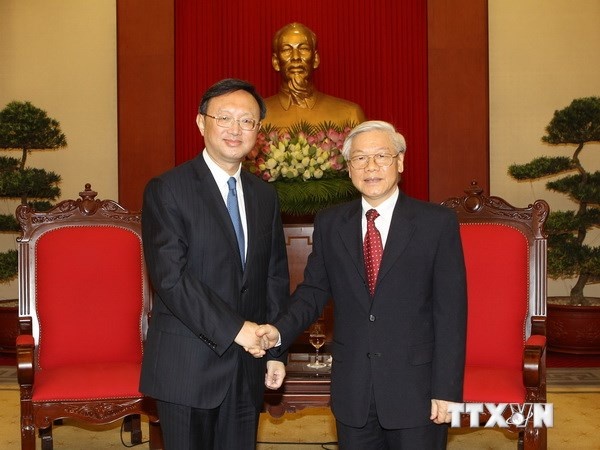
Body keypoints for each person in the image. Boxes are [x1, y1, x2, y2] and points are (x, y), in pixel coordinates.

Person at [258, 120, 468, 449]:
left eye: (381, 156)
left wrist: (447, 389)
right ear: (348, 167)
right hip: (353, 388)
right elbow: (312, 292)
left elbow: (451, 312)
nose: (371, 166)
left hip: (417, 389)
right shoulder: (330, 223)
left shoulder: (435, 223)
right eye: (359, 158)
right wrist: (278, 332)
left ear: (400, 161)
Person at [139, 78, 289, 450]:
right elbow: (170, 278)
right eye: (224, 118)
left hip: (248, 365)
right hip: (188, 366)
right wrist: (237, 329)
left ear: (258, 131)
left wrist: (276, 352)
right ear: (201, 122)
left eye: (247, 121)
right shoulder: (168, 189)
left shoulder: (264, 196)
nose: (236, 129)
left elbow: (274, 277)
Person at [264, 22, 366, 130]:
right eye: (286, 50)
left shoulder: (349, 114)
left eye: (304, 49)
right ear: (275, 62)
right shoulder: (256, 116)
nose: (296, 57)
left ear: (316, 59)